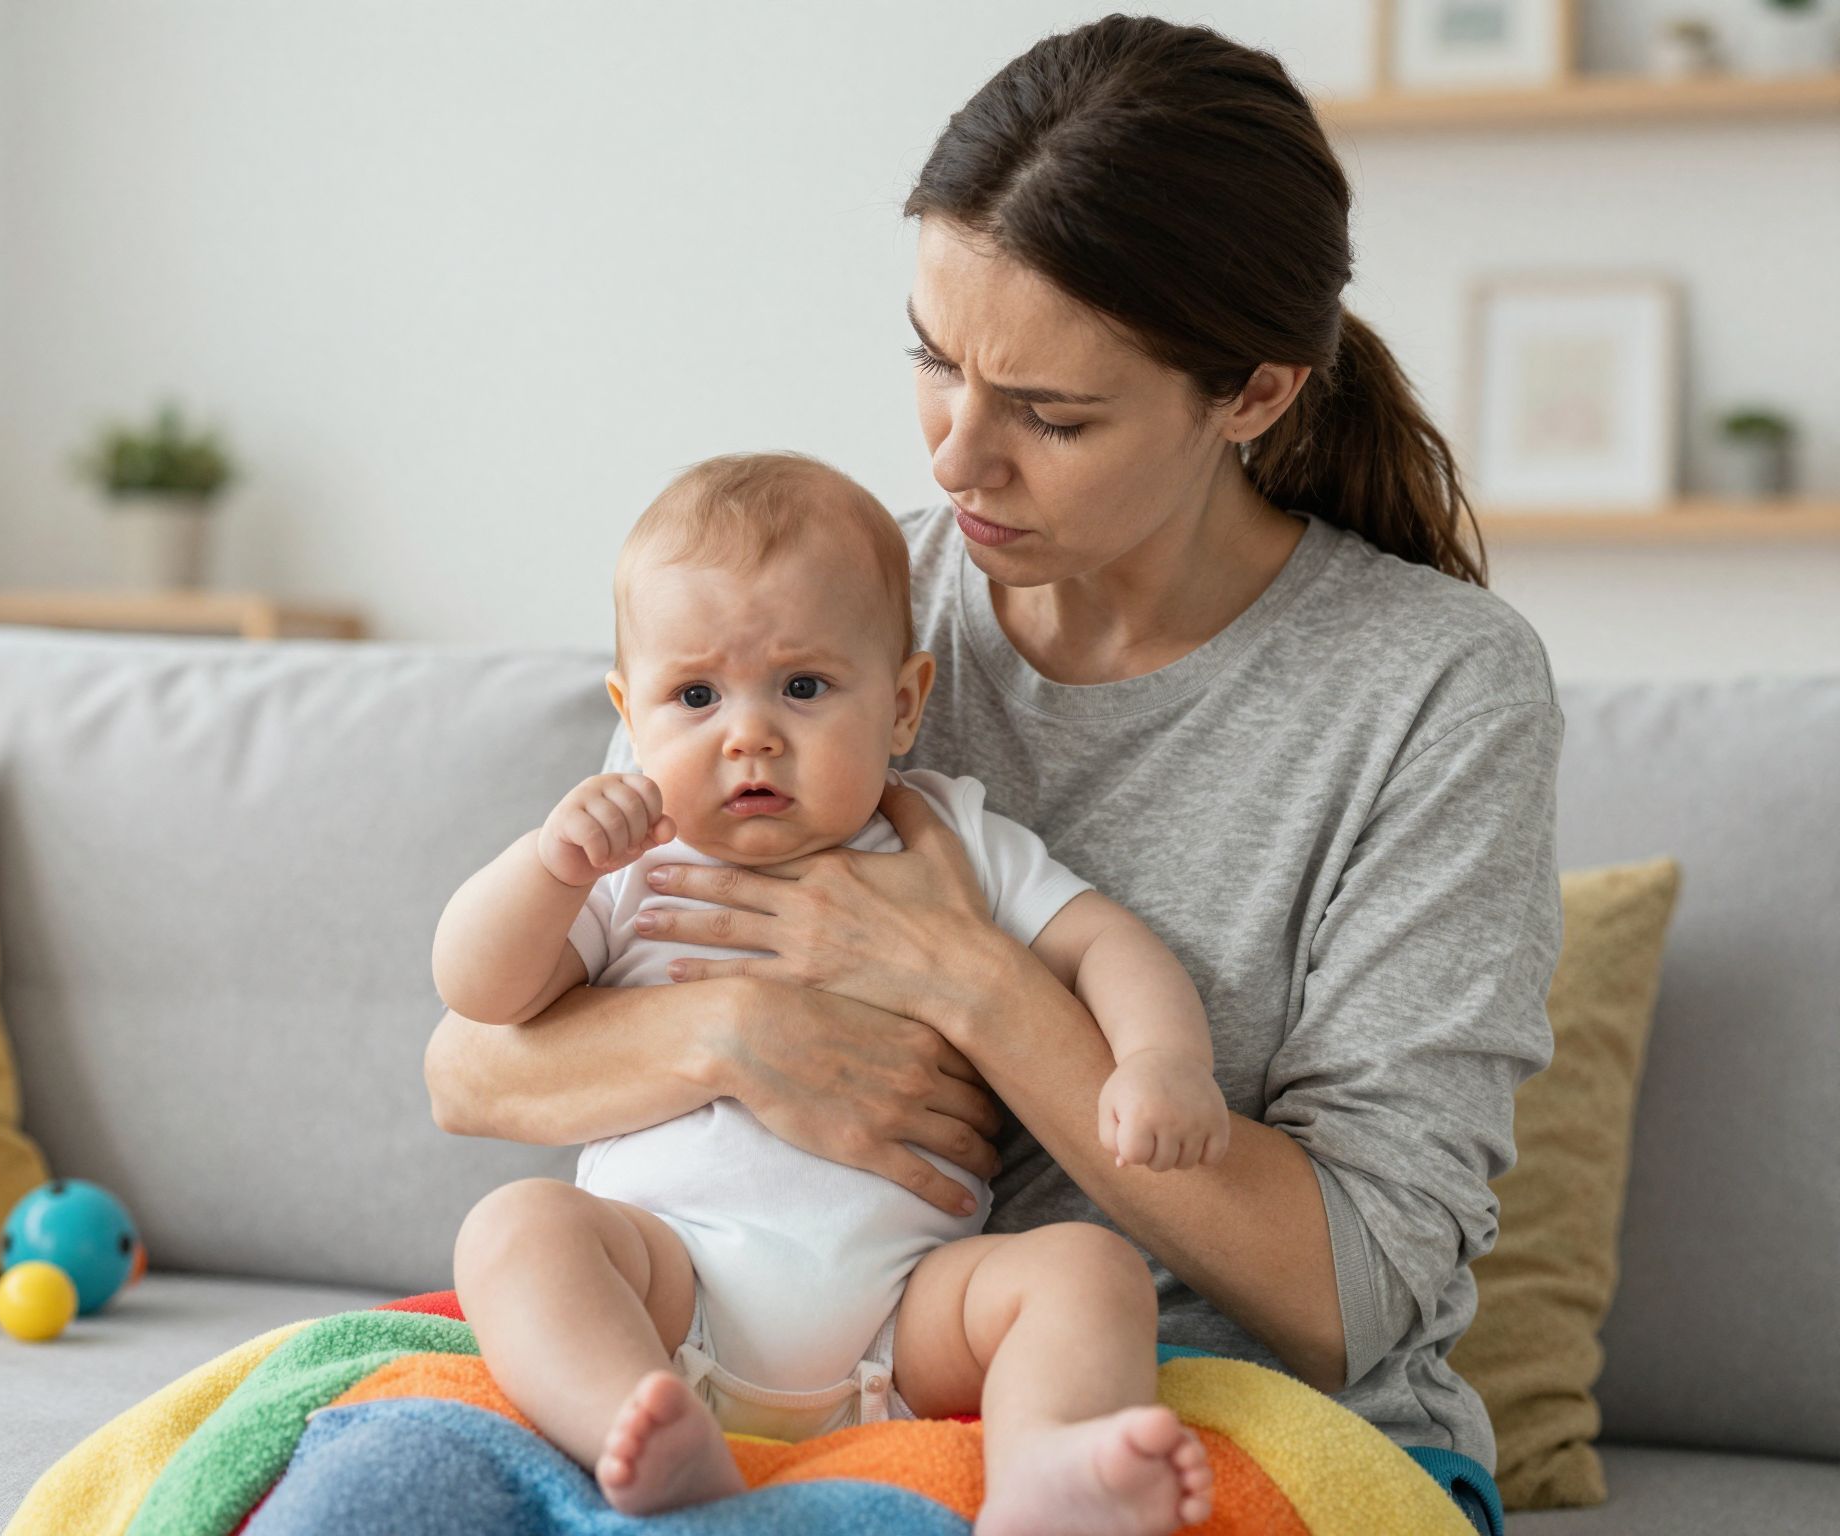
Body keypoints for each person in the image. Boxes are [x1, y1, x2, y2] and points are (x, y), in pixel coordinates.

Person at [427, 16, 1558, 1534]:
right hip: (742, 1368)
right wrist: (736, 1034)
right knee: (369, 1490)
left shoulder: (1431, 687)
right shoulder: (822, 602)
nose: (957, 457)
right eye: (934, 360)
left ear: (1252, 395)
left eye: (1049, 412)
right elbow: (473, 1064)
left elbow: (1353, 1293)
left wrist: (970, 986)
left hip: (1188, 1405)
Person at [434, 452, 1222, 1533]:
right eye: (695, 696)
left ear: (901, 705)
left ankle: (1047, 1463)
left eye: (803, 688)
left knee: (1089, 1270)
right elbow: (479, 992)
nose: (748, 734)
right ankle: (635, 1423)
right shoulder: (630, 863)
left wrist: (1162, 1061)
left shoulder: (947, 837)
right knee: (516, 1229)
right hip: (667, 1292)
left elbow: (1105, 944)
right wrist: (547, 866)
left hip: (905, 1319)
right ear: (630, 712)